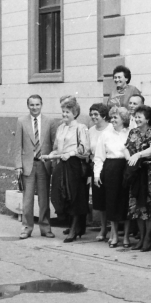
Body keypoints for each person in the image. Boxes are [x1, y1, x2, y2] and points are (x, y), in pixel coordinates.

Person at [45, 97, 90, 243]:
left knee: (74, 196)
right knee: (59, 194)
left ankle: (74, 229)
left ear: (75, 113)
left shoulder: (81, 128)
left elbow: (84, 149)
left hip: (74, 164)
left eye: (68, 112)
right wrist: (52, 155)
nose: (64, 115)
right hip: (61, 164)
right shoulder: (60, 127)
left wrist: (70, 154)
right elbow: (56, 147)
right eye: (63, 112)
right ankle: (71, 224)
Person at [14, 95, 58, 239]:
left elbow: (54, 145)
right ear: (28, 106)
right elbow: (17, 145)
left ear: (42, 105)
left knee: (44, 199)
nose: (34, 108)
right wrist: (18, 166)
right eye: (32, 105)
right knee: (27, 199)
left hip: (44, 164)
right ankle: (26, 227)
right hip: (28, 164)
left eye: (37, 105)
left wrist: (53, 163)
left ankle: (45, 228)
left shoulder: (49, 121)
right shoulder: (21, 121)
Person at [124, 105, 151, 252]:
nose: (137, 119)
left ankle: (148, 237)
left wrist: (138, 155)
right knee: (137, 206)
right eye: (136, 116)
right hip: (136, 172)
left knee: (150, 205)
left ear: (147, 119)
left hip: (149, 173)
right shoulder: (132, 131)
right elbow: (126, 147)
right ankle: (141, 237)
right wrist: (130, 159)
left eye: (140, 116)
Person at [94, 107, 131, 248]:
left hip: (126, 168)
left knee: (126, 202)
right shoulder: (105, 134)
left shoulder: (129, 133)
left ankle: (126, 236)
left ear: (124, 119)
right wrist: (97, 174)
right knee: (112, 202)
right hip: (110, 168)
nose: (113, 120)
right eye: (112, 117)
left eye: (116, 117)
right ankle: (114, 235)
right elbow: (99, 156)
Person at [88, 103, 113, 241]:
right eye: (91, 114)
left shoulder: (111, 128)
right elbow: (88, 149)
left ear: (104, 115)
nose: (93, 117)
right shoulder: (90, 130)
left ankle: (114, 230)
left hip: (110, 166)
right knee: (100, 200)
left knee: (111, 198)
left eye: (96, 114)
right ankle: (103, 229)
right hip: (96, 166)